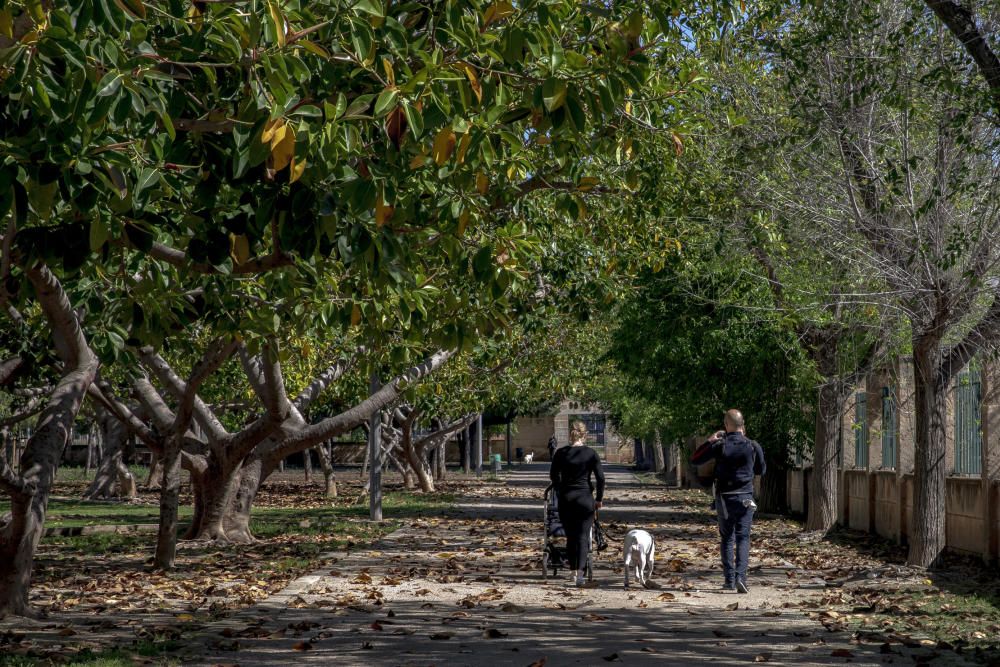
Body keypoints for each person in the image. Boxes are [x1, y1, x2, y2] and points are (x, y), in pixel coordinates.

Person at [690, 409, 765, 594]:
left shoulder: (720, 445)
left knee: (727, 537)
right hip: (746, 497)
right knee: (743, 537)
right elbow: (761, 470)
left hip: (725, 498)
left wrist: (710, 440)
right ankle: (741, 578)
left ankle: (729, 580)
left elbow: (695, 459)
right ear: (743, 424)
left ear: (726, 425)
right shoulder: (753, 445)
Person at [549, 421, 605, 587]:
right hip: (585, 500)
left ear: (570, 434)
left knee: (571, 536)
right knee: (582, 537)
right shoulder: (591, 453)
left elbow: (553, 476)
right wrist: (599, 499)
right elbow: (601, 479)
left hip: (566, 499)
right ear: (584, 434)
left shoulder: (560, 453)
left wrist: (560, 491)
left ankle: (573, 572)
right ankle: (580, 574)